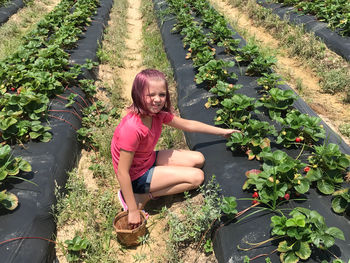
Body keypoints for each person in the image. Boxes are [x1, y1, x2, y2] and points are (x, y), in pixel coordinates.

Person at [111, 69, 240, 229]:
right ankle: (142, 196)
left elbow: (188, 125)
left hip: (147, 159)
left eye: (162, 95)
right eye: (151, 95)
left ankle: (153, 183)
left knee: (198, 158)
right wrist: (132, 210)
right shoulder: (131, 129)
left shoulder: (157, 115)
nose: (157, 100)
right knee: (197, 178)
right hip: (135, 177)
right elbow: (122, 172)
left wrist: (223, 132)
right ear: (138, 94)